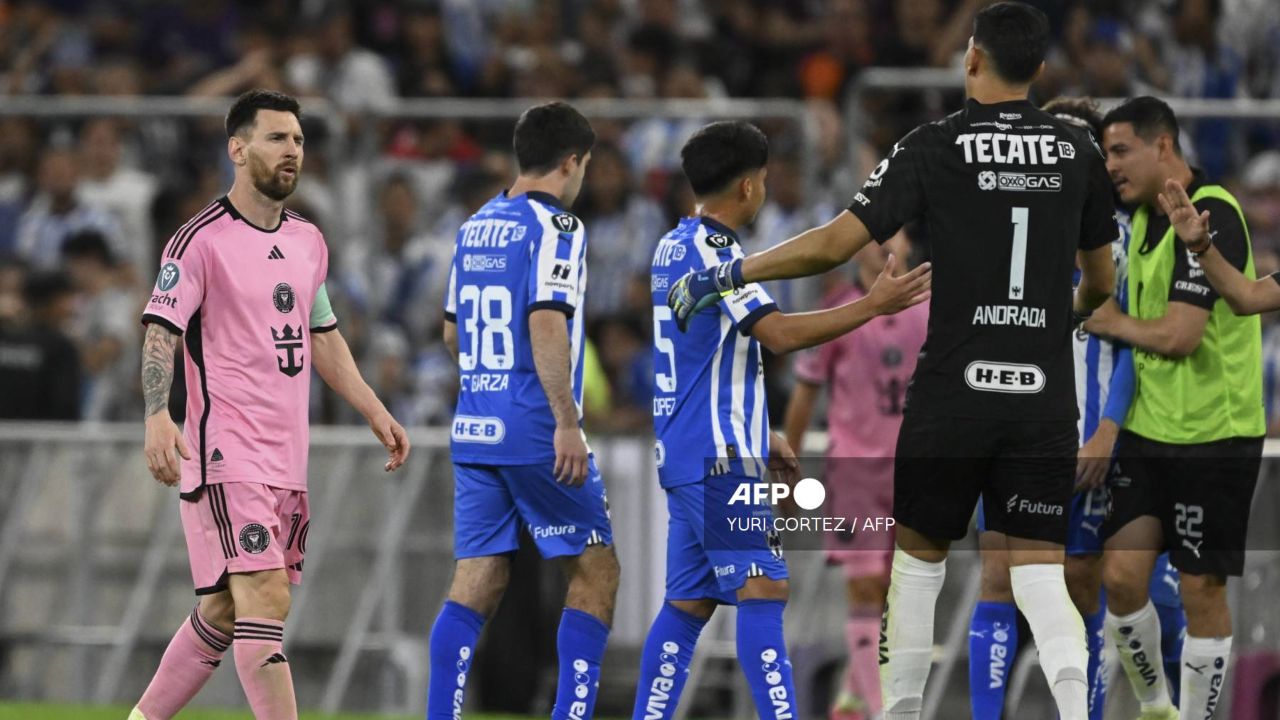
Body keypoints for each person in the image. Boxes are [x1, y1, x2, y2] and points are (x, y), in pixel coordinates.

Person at [666, 4, 1118, 718]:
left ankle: (900, 711)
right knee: (1039, 573)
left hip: (951, 397)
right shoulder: (1078, 152)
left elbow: (835, 244)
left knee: (915, 568)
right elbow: (1102, 282)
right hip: (1041, 397)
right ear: (1038, 70)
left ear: (972, 59)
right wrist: (1060, 315)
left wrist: (735, 271)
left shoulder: (933, 145)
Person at [634, 120, 930, 720]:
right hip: (719, 458)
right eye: (764, 180)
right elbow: (780, 335)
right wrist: (870, 306)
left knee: (687, 605)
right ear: (748, 187)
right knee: (764, 588)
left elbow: (709, 356)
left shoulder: (672, 244)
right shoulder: (720, 251)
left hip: (689, 450)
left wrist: (759, 429)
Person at [129, 90, 410, 720]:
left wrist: (374, 409)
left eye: (300, 141)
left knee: (226, 610)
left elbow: (323, 335)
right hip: (227, 451)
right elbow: (160, 331)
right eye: (277, 138)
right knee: (266, 596)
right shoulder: (198, 240)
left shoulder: (309, 241)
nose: (293, 152)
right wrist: (156, 412)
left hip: (287, 457)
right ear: (238, 147)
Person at [966, 97, 1186, 720]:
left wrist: (1108, 431)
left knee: (1083, 582)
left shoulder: (1121, 239)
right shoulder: (994, 230)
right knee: (998, 583)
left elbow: (1130, 345)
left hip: (1086, 446)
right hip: (1005, 439)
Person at [429, 101, 620, 720]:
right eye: (584, 165)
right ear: (571, 161)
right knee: (595, 571)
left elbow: (452, 335)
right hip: (535, 425)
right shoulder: (559, 229)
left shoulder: (477, 223)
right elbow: (546, 322)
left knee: (477, 580)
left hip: (476, 425)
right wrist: (567, 420)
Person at [1084, 95, 1263, 720]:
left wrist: (1111, 321)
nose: (1111, 166)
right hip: (1149, 434)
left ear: (1164, 146)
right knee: (1123, 580)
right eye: (1107, 153)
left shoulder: (1214, 215)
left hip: (1214, 436)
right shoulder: (1140, 220)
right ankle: (1158, 706)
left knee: (1199, 591)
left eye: (1121, 151)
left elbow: (1183, 336)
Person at [781, 230, 928, 720]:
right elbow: (804, 395)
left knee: (893, 595)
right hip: (855, 475)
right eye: (873, 235)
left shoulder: (932, 308)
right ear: (855, 246)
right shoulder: (839, 311)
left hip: (914, 473)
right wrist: (787, 472)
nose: (884, 244)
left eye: (895, 233)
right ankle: (885, 709)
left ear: (911, 242)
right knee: (865, 589)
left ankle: (850, 698)